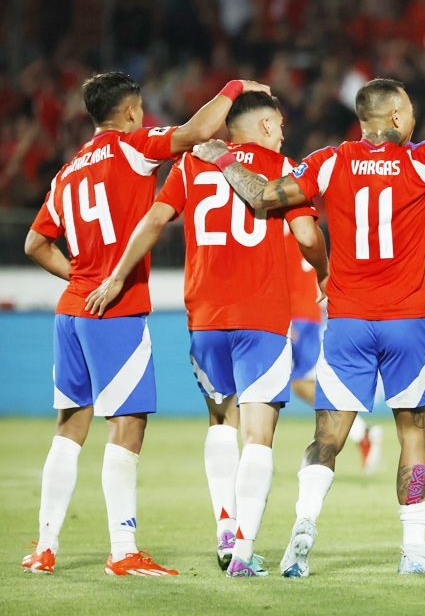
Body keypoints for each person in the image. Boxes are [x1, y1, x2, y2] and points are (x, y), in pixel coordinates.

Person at [193, 56, 425, 576]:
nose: (413, 121)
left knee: (327, 437)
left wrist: (221, 158)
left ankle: (305, 525)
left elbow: (262, 197)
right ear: (390, 118)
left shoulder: (328, 161)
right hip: (405, 323)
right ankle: (412, 549)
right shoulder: (420, 160)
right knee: (413, 434)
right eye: (407, 112)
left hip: (345, 322)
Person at [21, 72, 269, 576]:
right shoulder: (133, 149)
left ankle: (45, 547)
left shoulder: (67, 172)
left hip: (71, 310)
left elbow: (34, 244)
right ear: (132, 110)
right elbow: (199, 132)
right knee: (127, 426)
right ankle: (123, 549)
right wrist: (233, 88)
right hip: (114, 310)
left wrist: (82, 275)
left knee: (70, 429)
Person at [86, 91, 329, 577]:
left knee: (222, 422)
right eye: (278, 123)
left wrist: (116, 276)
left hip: (205, 317)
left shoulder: (191, 168)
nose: (283, 131)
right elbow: (306, 237)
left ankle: (223, 526)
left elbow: (154, 220)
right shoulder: (283, 166)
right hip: (262, 316)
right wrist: (325, 275)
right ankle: (242, 552)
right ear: (263, 127)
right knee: (260, 434)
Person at [284, 227, 384, 476]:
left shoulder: (278, 229)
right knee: (299, 383)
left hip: (294, 314)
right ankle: (361, 432)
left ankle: (256, 450)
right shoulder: (304, 226)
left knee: (286, 381)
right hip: (307, 312)